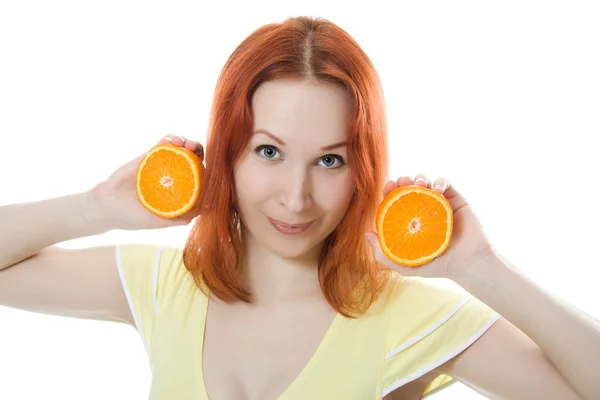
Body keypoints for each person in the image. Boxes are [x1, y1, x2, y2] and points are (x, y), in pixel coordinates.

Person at [0, 15, 598, 400]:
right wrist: (99, 206)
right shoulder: (163, 287)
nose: (296, 196)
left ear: (364, 169)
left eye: (330, 160)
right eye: (269, 151)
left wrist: (481, 267)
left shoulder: (410, 316)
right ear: (229, 153)